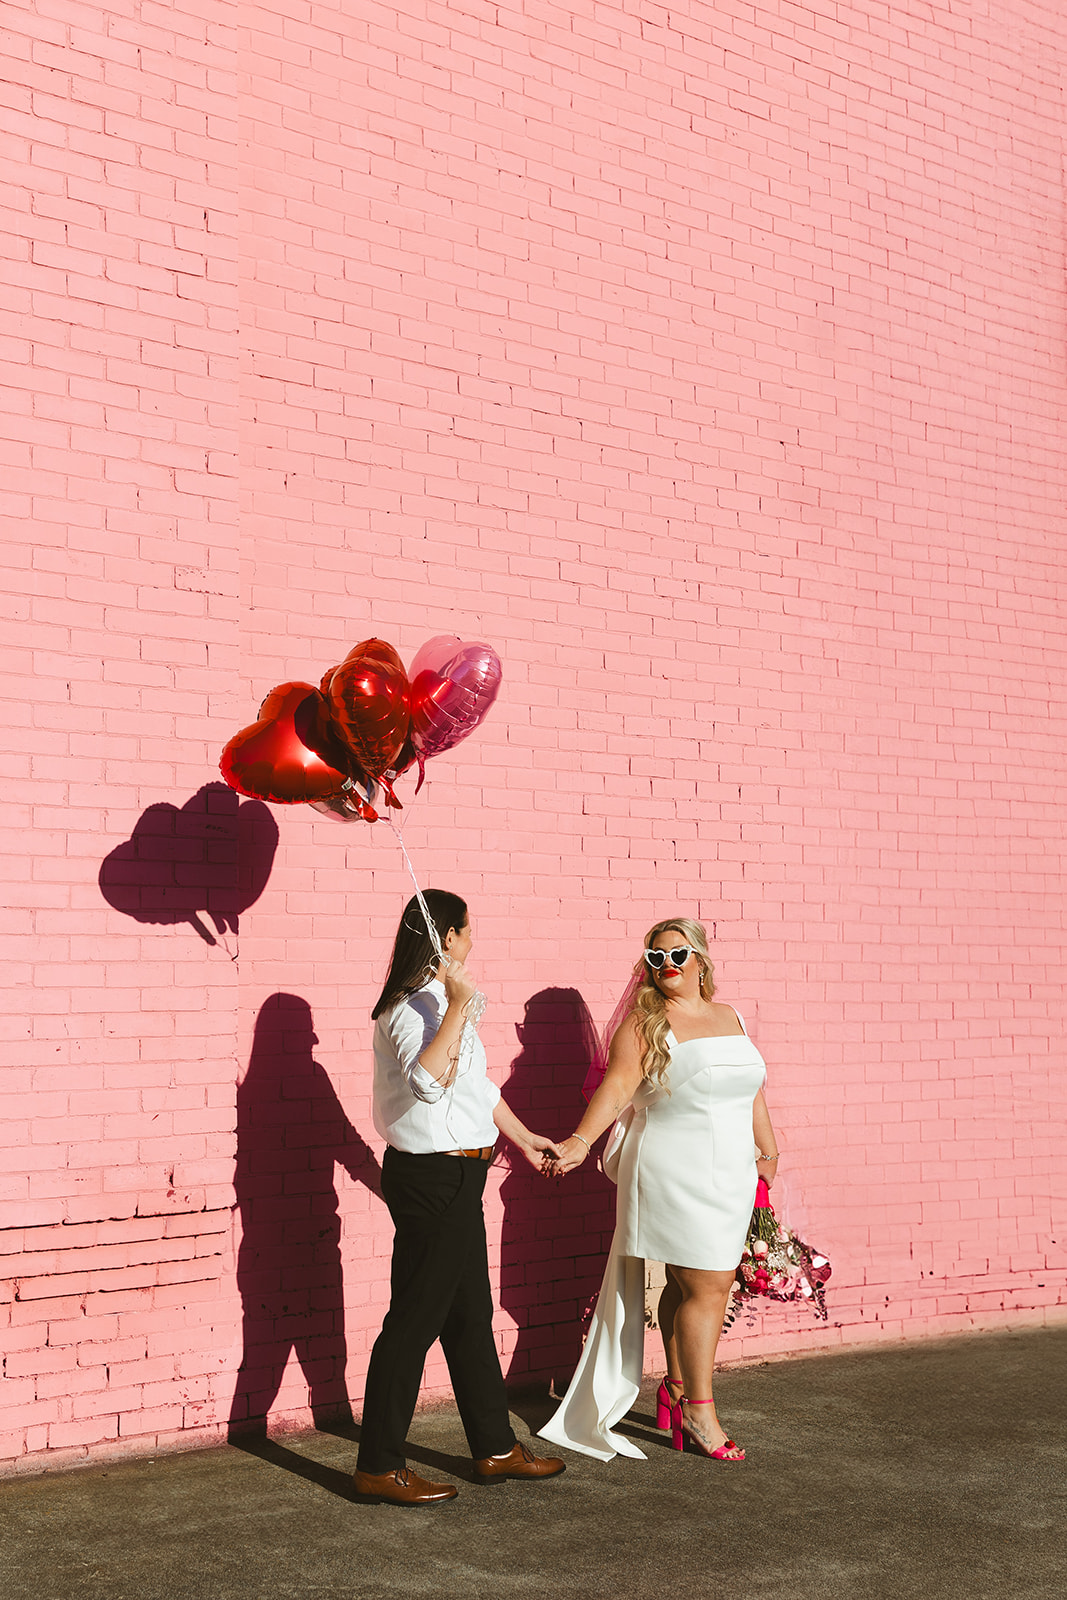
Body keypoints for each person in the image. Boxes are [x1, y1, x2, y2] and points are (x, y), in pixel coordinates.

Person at [539, 917, 779, 1464]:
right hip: (674, 1168)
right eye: (656, 958)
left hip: (733, 1172)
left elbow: (753, 1091)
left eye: (678, 954)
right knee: (709, 1284)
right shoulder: (645, 1024)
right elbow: (618, 1086)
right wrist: (579, 1142)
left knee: (688, 1280)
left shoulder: (730, 1016)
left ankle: (674, 1388)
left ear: (701, 960)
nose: (667, 966)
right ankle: (700, 1408)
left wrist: (767, 1154)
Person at [354, 889, 566, 1506]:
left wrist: (524, 1139)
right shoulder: (405, 1008)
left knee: (471, 1317)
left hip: (462, 1176)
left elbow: (473, 1085)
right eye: (468, 931)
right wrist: (461, 1005)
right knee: (414, 1320)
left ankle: (494, 1448)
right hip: (432, 1178)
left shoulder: (444, 1003)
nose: (473, 940)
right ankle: (378, 1464)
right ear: (447, 937)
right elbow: (425, 1083)